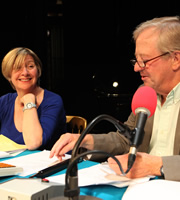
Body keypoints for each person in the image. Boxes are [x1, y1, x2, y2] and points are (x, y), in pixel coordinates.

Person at [50, 16, 180, 181]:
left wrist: (157, 166)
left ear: (175, 59)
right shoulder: (145, 93)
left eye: (144, 61)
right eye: (136, 60)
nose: (136, 68)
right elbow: (127, 139)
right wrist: (85, 140)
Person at [0, 47, 67, 150]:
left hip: (50, 164)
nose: (25, 72)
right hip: (11, 165)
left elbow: (33, 143)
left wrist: (29, 101)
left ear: (38, 70)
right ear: (9, 74)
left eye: (30, 66)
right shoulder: (5, 101)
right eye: (18, 68)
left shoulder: (53, 101)